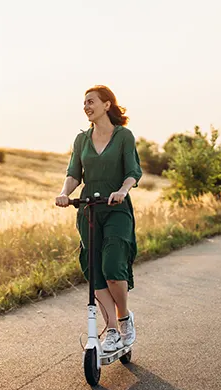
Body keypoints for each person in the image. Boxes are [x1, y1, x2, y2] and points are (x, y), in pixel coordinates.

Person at [55, 85, 142, 352]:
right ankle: (112, 331)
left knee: (113, 268)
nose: (86, 106)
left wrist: (122, 191)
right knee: (95, 272)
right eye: (84, 103)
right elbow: (73, 174)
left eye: (91, 101)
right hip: (89, 211)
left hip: (116, 210)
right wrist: (63, 193)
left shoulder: (124, 136)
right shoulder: (81, 139)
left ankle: (125, 318)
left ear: (107, 105)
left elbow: (132, 172)